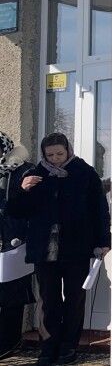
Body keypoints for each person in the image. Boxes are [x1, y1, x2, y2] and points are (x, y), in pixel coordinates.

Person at [6, 132, 111, 365]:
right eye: (50, 155)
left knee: (75, 297)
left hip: (77, 246)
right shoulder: (35, 175)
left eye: (59, 154)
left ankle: (68, 347)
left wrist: (103, 241)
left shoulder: (84, 173)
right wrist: (22, 190)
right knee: (48, 299)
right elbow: (15, 211)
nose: (55, 159)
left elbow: (100, 210)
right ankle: (48, 347)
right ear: (43, 154)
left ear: (68, 151)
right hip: (43, 248)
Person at [0, 132, 36, 359]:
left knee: (12, 295)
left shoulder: (23, 170)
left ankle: (9, 341)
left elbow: (30, 205)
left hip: (13, 241)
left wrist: (21, 191)